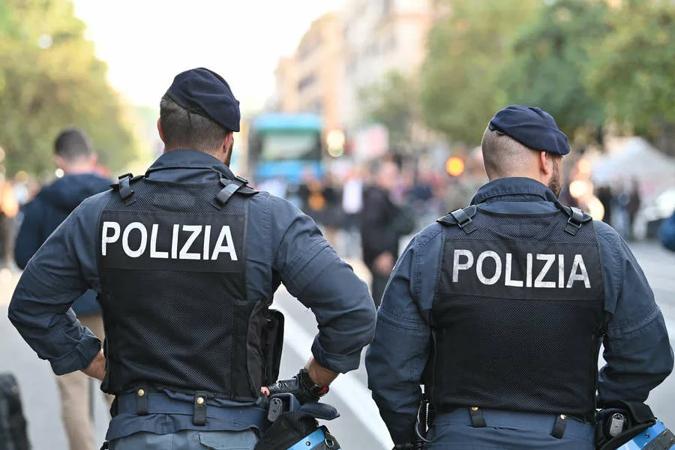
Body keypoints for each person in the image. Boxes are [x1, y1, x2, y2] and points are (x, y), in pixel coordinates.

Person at [9, 68, 376, 450]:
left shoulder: (101, 214)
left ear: (161, 131)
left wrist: (95, 360)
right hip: (235, 435)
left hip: (135, 434)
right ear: (228, 141)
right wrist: (309, 383)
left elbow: (32, 304)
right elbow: (353, 310)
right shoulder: (268, 219)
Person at [366, 105, 673, 449]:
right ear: (545, 160)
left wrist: (415, 438)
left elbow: (389, 367)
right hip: (567, 439)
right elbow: (647, 356)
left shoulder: (435, 244)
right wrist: (599, 415)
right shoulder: (599, 245)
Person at [14, 128, 111, 450]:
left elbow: (23, 255)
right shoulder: (116, 195)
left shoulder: (43, 200)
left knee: (73, 394)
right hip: (109, 307)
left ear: (58, 160)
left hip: (61, 310)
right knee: (121, 385)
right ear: (92, 157)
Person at [360, 160, 413, 306]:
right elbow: (372, 228)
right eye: (390, 175)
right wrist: (381, 253)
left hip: (385, 254)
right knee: (382, 298)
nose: (394, 180)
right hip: (381, 257)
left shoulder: (385, 197)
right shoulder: (376, 198)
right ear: (379, 176)